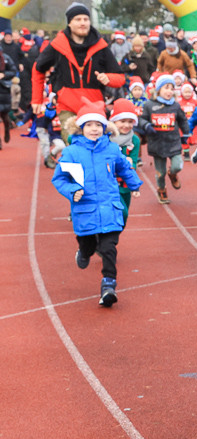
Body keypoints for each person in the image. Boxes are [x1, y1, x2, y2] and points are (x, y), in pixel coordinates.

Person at [51, 101, 141, 307]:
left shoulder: (111, 148)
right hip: (86, 209)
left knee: (109, 247)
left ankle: (108, 286)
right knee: (89, 243)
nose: (94, 129)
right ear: (80, 127)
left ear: (105, 127)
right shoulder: (72, 152)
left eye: (98, 125)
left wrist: (134, 184)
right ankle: (84, 251)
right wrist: (72, 191)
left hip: (110, 206)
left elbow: (124, 168)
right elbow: (59, 179)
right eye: (89, 125)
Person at [31, 3, 125, 146]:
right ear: (69, 23)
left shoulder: (101, 46)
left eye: (86, 19)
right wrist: (37, 99)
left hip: (94, 107)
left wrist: (108, 78)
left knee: (96, 148)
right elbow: (38, 69)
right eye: (78, 19)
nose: (83, 23)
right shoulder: (58, 44)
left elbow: (120, 78)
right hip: (67, 106)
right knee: (74, 147)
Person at [138, 73, 189, 204]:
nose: (169, 91)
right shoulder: (149, 105)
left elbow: (183, 120)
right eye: (166, 87)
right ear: (158, 89)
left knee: (178, 165)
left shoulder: (175, 106)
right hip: (157, 143)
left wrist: (186, 134)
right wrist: (147, 125)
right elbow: (141, 119)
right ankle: (161, 189)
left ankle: (173, 174)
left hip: (173, 141)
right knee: (160, 172)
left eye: (172, 88)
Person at [108, 99, 141, 223]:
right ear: (114, 121)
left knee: (124, 217)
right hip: (108, 183)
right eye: (122, 121)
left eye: (130, 122)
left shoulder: (134, 140)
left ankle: (112, 239)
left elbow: (133, 162)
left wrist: (134, 185)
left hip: (125, 183)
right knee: (121, 211)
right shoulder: (106, 137)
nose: (126, 125)